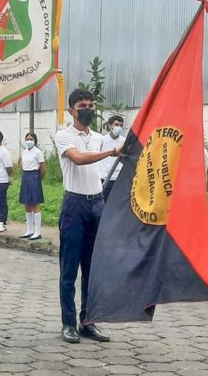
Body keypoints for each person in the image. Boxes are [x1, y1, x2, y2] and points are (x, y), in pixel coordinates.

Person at [54, 89, 119, 344]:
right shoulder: (63, 136)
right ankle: (68, 323)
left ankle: (88, 321)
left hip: (97, 203)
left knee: (93, 269)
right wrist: (112, 152)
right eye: (82, 105)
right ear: (72, 110)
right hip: (75, 205)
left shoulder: (98, 138)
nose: (88, 109)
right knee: (69, 268)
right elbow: (79, 159)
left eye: (91, 105)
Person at [19, 133, 45, 240]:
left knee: (35, 203)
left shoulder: (38, 152)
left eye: (31, 139)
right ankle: (29, 230)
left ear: (35, 140)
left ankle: (37, 231)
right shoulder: (24, 152)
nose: (29, 141)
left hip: (34, 176)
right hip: (26, 176)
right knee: (27, 203)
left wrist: (38, 179)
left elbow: (43, 169)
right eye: (27, 139)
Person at [98, 115, 126, 201]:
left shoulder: (124, 141)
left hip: (118, 178)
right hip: (104, 177)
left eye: (121, 125)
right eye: (116, 125)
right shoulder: (101, 140)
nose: (119, 127)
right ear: (110, 126)